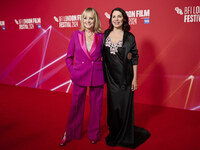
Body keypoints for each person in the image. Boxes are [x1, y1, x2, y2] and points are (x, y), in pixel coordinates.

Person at [102, 8, 150, 148]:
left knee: (124, 107)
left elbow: (134, 57)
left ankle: (125, 134)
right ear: (110, 19)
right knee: (113, 108)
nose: (116, 19)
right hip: (111, 79)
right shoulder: (105, 34)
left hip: (125, 79)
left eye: (119, 16)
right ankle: (115, 132)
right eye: (114, 16)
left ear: (124, 19)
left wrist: (134, 79)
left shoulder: (130, 37)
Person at [60, 8, 104, 146]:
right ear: (82, 20)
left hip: (96, 74)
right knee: (76, 105)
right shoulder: (76, 35)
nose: (88, 21)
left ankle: (94, 133)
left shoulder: (102, 36)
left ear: (95, 20)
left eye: (91, 18)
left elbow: (108, 57)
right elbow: (68, 57)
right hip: (79, 74)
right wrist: (73, 72)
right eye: (85, 18)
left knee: (96, 106)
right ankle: (71, 132)